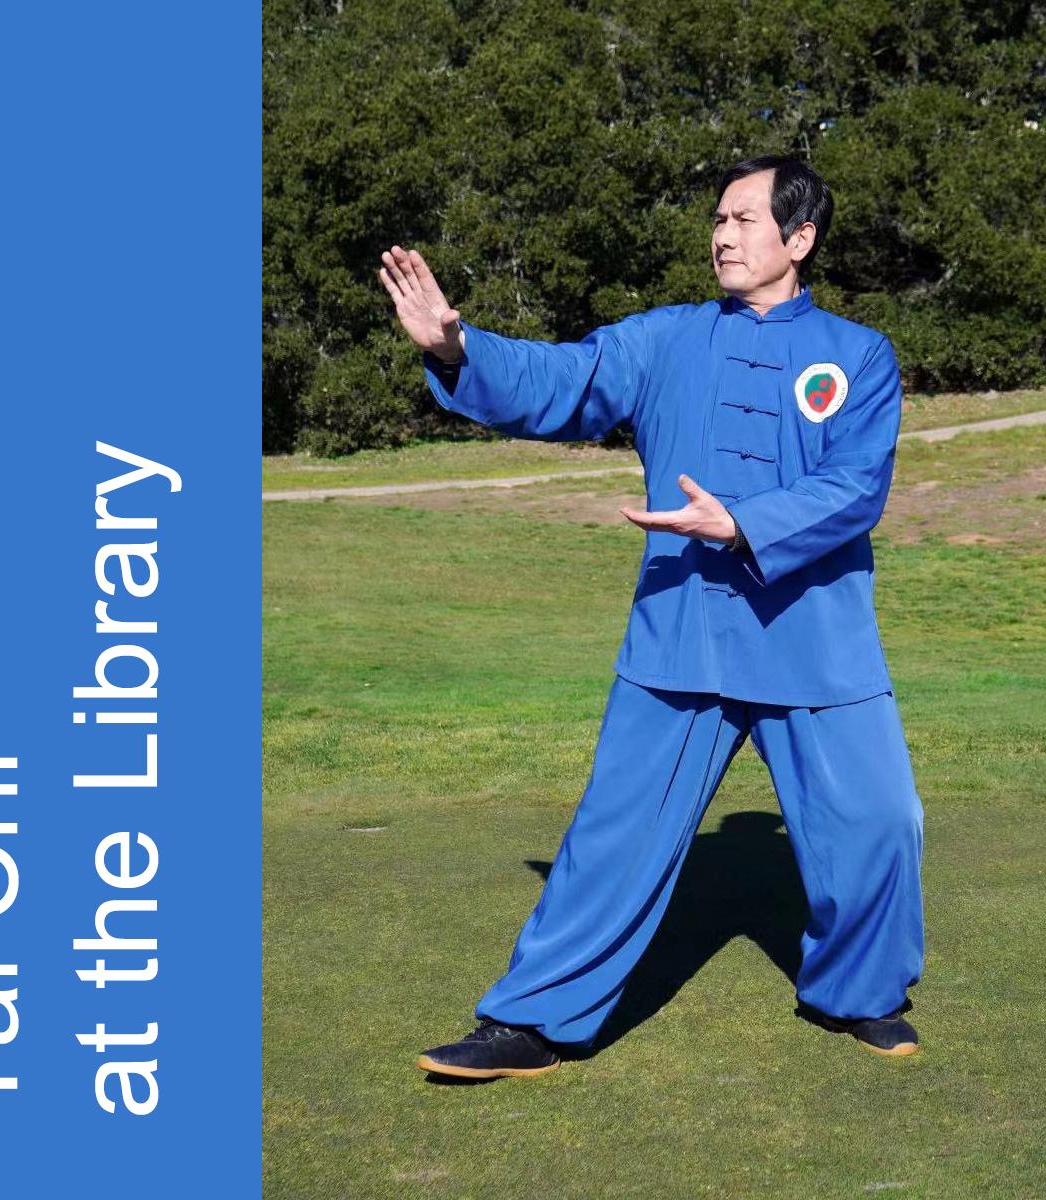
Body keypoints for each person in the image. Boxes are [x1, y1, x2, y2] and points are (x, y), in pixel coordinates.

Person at [376, 155, 925, 1078]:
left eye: (745, 219)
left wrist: (744, 522)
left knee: (881, 824)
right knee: (613, 837)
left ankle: (858, 993)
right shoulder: (663, 340)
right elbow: (565, 379)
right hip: (683, 634)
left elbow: (856, 487)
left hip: (817, 639)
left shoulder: (860, 355)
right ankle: (534, 1024)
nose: (722, 234)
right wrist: (455, 350)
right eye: (718, 217)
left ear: (800, 238)